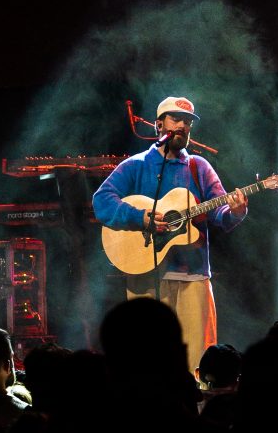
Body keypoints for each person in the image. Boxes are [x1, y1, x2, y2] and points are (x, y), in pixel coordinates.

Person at [92, 94, 248, 372]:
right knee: (144, 359)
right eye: (176, 119)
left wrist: (235, 212)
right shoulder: (136, 165)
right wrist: (140, 217)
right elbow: (102, 201)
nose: (183, 126)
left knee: (197, 359)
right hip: (143, 273)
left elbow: (218, 213)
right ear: (158, 125)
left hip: (193, 274)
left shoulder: (199, 167)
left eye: (188, 121)